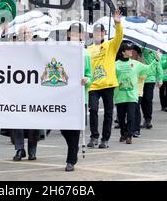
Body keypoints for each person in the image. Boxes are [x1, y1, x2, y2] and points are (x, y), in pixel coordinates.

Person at [87, 9, 123, 149]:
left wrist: (117, 24)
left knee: (108, 113)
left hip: (108, 84)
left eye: (100, 32)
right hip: (93, 85)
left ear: (104, 33)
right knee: (93, 110)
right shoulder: (88, 49)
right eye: (95, 32)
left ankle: (105, 139)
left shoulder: (110, 45)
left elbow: (119, 37)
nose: (98, 34)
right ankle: (94, 136)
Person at [60, 23, 93, 172]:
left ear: (82, 36)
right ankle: (72, 148)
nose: (74, 36)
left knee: (74, 130)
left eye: (77, 33)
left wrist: (87, 79)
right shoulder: (61, 51)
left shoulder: (85, 54)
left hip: (79, 98)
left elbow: (90, 74)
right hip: (62, 97)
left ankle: (71, 159)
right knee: (63, 128)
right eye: (71, 33)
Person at [115, 42, 161, 144]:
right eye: (129, 50)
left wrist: (156, 60)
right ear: (122, 52)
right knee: (121, 118)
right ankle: (123, 133)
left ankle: (129, 135)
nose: (131, 51)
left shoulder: (135, 64)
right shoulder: (115, 65)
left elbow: (148, 70)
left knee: (131, 116)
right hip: (120, 96)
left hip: (132, 96)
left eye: (132, 50)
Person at [13, 25, 40, 161]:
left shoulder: (38, 49)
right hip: (17, 90)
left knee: (33, 123)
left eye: (28, 32)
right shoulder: (13, 49)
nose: (25, 35)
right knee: (17, 122)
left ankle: (32, 150)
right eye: (23, 33)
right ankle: (19, 149)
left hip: (34, 91)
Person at [141, 48, 163, 129]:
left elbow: (158, 66)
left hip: (150, 79)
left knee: (148, 99)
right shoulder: (139, 51)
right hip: (140, 80)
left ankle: (148, 119)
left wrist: (160, 79)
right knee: (142, 100)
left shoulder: (153, 52)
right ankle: (145, 118)